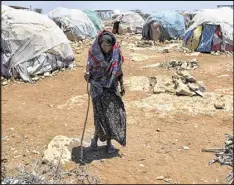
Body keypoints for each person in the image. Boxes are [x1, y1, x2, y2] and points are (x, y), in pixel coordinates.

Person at [84, 30, 126, 154]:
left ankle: (108, 143)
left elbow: (119, 70)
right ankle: (96, 142)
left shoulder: (116, 53)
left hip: (112, 88)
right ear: (100, 44)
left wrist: (122, 84)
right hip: (98, 90)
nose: (107, 48)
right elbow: (88, 74)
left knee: (114, 115)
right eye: (104, 45)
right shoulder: (94, 54)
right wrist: (87, 75)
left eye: (109, 46)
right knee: (100, 118)